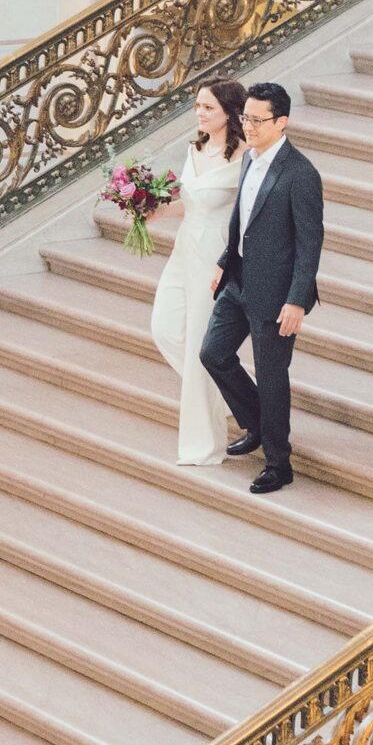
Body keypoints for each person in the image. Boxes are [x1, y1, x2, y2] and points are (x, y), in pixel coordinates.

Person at [199, 81, 324, 495]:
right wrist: (223, 262)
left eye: (256, 119)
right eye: (245, 117)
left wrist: (297, 300)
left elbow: (310, 244)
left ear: (281, 121)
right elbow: (242, 220)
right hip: (237, 281)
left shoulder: (301, 174)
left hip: (276, 294)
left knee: (272, 377)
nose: (247, 126)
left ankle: (278, 463)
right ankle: (256, 421)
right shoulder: (250, 160)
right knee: (213, 354)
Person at [149, 80, 247, 465]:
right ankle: (231, 394)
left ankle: (204, 445)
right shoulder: (196, 149)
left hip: (214, 255)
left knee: (198, 349)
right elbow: (190, 204)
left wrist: (231, 263)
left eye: (207, 107)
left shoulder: (244, 157)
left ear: (228, 112)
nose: (199, 113)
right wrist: (155, 211)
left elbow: (247, 215)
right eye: (197, 107)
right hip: (185, 248)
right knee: (166, 328)